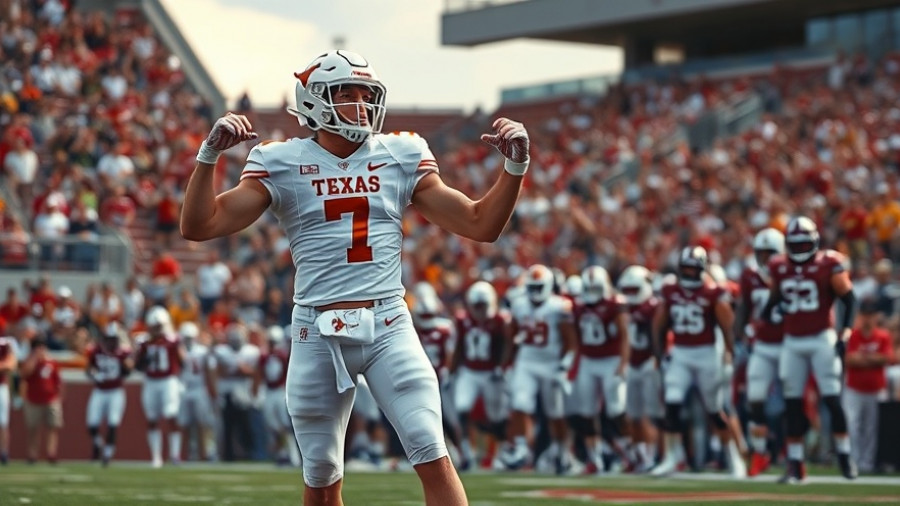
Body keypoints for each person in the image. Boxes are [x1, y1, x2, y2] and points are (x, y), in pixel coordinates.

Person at [180, 49, 528, 505]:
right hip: (316, 329)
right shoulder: (282, 161)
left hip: (388, 324)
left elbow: (481, 224)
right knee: (322, 477)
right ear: (314, 101)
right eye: (347, 94)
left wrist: (514, 168)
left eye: (367, 94)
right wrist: (208, 155)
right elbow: (199, 225)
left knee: (431, 450)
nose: (361, 105)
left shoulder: (400, 153)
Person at [763, 216, 858, 483]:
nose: (800, 250)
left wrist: (845, 332)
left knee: (832, 398)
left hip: (821, 338)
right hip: (793, 341)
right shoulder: (779, 266)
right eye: (796, 245)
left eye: (804, 244)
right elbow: (772, 303)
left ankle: (844, 454)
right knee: (792, 403)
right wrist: (773, 313)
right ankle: (795, 461)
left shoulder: (829, 263)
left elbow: (849, 299)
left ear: (814, 242)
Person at [650, 246, 745, 478]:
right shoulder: (670, 290)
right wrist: (659, 354)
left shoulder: (713, 292)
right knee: (672, 402)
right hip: (681, 352)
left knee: (714, 410)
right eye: (686, 268)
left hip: (706, 353)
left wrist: (729, 354)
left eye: (693, 269)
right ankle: (671, 457)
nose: (689, 273)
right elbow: (659, 325)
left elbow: (727, 327)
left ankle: (733, 457)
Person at [501, 264, 577, 475]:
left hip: (551, 363)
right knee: (520, 404)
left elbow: (570, 340)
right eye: (532, 287)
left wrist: (565, 365)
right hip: (527, 361)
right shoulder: (519, 305)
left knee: (555, 413)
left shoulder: (558, 307)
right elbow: (512, 337)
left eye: (538, 287)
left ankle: (562, 450)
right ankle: (521, 448)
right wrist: (508, 363)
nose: (534, 292)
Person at [569, 265, 630, 474]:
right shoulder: (578, 307)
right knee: (586, 411)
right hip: (588, 359)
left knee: (616, 409)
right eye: (589, 289)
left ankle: (629, 450)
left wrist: (623, 363)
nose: (592, 293)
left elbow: (624, 335)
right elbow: (575, 338)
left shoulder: (615, 305)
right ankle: (594, 458)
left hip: (611, 360)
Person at [735, 227, 785, 476]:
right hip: (762, 344)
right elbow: (743, 309)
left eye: (770, 253)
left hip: (789, 344)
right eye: (761, 253)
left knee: (791, 402)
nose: (765, 258)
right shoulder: (750, 276)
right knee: (755, 398)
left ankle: (789, 452)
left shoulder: (789, 273)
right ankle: (760, 452)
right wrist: (739, 335)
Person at [450, 281, 508, 471]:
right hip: (469, 371)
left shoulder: (500, 320)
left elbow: (506, 345)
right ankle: (467, 451)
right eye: (478, 305)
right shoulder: (462, 320)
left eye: (484, 305)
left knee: (496, 416)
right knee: (462, 407)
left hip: (491, 372)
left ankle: (500, 453)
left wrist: (501, 367)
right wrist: (451, 371)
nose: (481, 309)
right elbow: (459, 347)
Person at [617, 265, 662, 473]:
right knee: (633, 415)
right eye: (627, 290)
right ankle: (640, 455)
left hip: (649, 361)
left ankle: (653, 456)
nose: (629, 294)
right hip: (632, 364)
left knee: (652, 414)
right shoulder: (623, 308)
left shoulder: (654, 307)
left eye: (634, 290)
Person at [843, 299, 895, 473]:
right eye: (865, 315)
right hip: (854, 388)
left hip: (876, 388)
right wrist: (873, 359)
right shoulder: (853, 335)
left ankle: (867, 462)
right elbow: (850, 359)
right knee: (853, 425)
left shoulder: (883, 335)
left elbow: (886, 358)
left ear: (876, 316)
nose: (867, 319)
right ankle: (854, 460)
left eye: (871, 315)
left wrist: (863, 358)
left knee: (871, 428)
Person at [134, 306, 185, 468]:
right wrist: (143, 359)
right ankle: (156, 457)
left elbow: (182, 361)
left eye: (159, 326)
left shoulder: (173, 340)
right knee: (152, 418)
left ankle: (175, 454)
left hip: (168, 380)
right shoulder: (144, 342)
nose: (157, 329)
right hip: (151, 381)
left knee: (171, 414)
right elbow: (137, 366)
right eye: (154, 326)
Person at [85, 321, 133, 466]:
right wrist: (94, 375)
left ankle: (107, 453)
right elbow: (88, 369)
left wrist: (127, 364)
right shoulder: (96, 351)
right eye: (109, 339)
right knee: (92, 423)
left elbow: (128, 371)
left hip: (115, 391)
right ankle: (98, 444)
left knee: (113, 423)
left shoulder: (123, 353)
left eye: (113, 339)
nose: (111, 342)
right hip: (99, 390)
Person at [252, 325, 296, 466]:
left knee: (285, 425)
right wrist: (256, 391)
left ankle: (293, 455)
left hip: (280, 392)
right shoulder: (264, 357)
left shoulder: (284, 356)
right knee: (272, 424)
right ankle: (281, 453)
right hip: (269, 392)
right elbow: (259, 374)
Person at [177, 322, 217, 462]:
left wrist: (212, 389)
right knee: (184, 423)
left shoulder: (202, 351)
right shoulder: (177, 351)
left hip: (199, 388)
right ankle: (187, 453)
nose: (188, 341)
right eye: (186, 338)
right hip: (184, 389)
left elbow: (209, 370)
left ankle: (205, 453)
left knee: (203, 423)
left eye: (190, 338)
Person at [20, 338, 63, 464]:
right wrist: (34, 359)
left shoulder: (51, 363)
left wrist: (59, 397)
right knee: (33, 428)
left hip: (51, 399)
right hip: (33, 399)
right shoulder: (29, 361)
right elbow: (24, 374)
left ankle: (51, 453)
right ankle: (32, 454)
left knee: (53, 426)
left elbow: (58, 381)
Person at [0, 332, 19, 465]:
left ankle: (4, 452)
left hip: (1, 386)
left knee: (3, 422)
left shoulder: (6, 342)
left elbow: (11, 364)